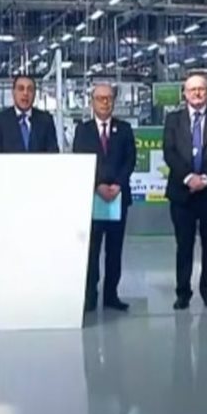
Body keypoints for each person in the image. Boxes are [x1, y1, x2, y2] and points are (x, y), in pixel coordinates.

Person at [163, 72, 207, 311]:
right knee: (183, 245)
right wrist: (188, 178)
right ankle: (182, 293)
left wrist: (205, 179)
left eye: (201, 89)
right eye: (192, 89)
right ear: (185, 93)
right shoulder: (173, 120)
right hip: (182, 194)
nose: (197, 93)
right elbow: (169, 152)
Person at [72, 83, 136, 312]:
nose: (105, 102)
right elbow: (79, 158)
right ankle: (90, 295)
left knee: (114, 250)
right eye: (100, 98)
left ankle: (111, 295)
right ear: (92, 101)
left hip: (119, 197)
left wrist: (118, 184)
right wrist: (97, 184)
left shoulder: (125, 129)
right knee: (91, 250)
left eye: (109, 98)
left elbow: (130, 160)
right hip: (92, 197)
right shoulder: (83, 130)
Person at [0, 75, 59, 153]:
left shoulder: (46, 121)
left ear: (34, 94)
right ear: (13, 93)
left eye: (30, 89)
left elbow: (53, 155)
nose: (25, 93)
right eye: (21, 89)